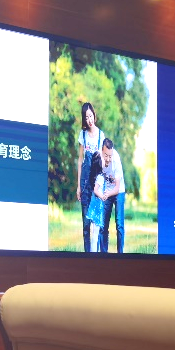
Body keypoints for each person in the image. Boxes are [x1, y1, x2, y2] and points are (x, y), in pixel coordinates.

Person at [76, 102, 105, 252]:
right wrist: (78, 186)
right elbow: (80, 161)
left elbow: (103, 163)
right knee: (86, 224)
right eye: (86, 117)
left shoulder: (101, 135)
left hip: (97, 184)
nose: (89, 120)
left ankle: (97, 255)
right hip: (85, 182)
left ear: (94, 115)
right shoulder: (82, 135)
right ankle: (87, 256)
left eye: (90, 116)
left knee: (97, 223)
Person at [100, 138, 125, 253]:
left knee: (119, 224)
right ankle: (103, 255)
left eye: (110, 156)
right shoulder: (98, 158)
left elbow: (117, 188)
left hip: (118, 191)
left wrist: (107, 194)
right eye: (106, 156)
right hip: (107, 191)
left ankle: (120, 254)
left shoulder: (116, 160)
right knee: (103, 225)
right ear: (102, 150)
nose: (108, 159)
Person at [85, 151, 105, 253]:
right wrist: (103, 197)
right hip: (97, 206)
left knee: (95, 233)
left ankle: (94, 253)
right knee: (95, 234)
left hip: (95, 205)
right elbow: (96, 190)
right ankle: (93, 255)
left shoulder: (97, 176)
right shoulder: (100, 177)